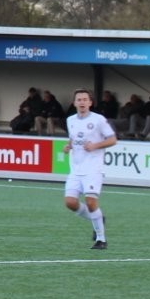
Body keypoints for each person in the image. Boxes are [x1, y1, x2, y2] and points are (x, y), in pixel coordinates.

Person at [64, 89, 117, 250]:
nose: (81, 102)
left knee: (91, 202)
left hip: (93, 168)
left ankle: (101, 239)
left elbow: (113, 140)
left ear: (90, 103)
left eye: (85, 99)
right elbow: (73, 138)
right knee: (70, 202)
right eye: (78, 99)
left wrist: (95, 145)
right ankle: (98, 218)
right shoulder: (70, 120)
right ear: (74, 103)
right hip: (75, 168)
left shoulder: (98, 119)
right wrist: (69, 146)